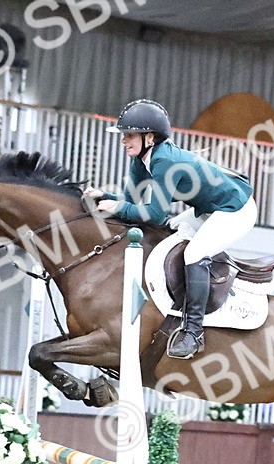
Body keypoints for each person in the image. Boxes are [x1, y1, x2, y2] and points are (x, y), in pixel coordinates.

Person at [85, 99, 257, 359]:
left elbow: (154, 214)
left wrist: (115, 205)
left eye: (129, 135)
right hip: (208, 208)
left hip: (235, 209)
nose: (124, 141)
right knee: (172, 229)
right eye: (124, 135)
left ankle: (194, 332)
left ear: (150, 137)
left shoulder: (163, 160)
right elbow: (130, 203)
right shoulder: (141, 160)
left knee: (194, 254)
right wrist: (104, 196)